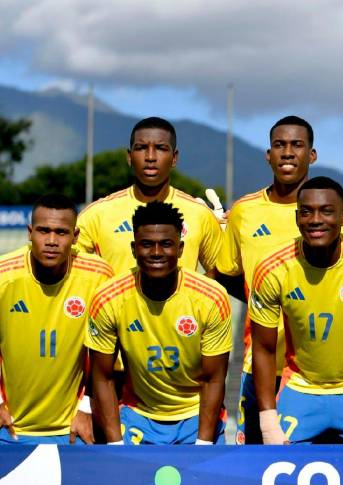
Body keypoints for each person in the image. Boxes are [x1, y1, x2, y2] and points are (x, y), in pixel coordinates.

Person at [216, 115, 343, 444]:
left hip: (331, 376)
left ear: (311, 155)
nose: (288, 152)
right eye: (279, 145)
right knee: (261, 472)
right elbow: (226, 274)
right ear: (268, 155)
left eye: (297, 145)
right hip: (262, 365)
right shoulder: (244, 211)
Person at [250, 177, 343, 444]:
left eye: (326, 211)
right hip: (300, 387)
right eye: (306, 212)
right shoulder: (272, 267)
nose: (315, 219)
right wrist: (268, 424)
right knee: (277, 473)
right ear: (297, 218)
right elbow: (262, 348)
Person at [87, 202, 231, 445]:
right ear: (134, 249)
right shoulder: (108, 298)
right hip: (138, 415)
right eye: (146, 244)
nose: (156, 252)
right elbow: (103, 377)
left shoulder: (211, 297)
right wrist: (115, 444)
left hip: (197, 415)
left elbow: (214, 379)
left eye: (166, 244)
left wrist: (203, 445)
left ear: (181, 248)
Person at [0, 194, 113, 444]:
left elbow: (109, 354)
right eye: (43, 231)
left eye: (61, 232)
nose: (51, 241)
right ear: (30, 233)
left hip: (74, 430)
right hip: (8, 430)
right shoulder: (4, 275)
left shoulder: (98, 277)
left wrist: (87, 407)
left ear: (75, 237)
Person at [77, 116, 222, 275]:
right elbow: (66, 266)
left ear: (174, 158)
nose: (150, 157)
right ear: (129, 157)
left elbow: (222, 272)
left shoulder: (199, 214)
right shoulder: (97, 214)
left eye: (160, 148)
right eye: (141, 148)